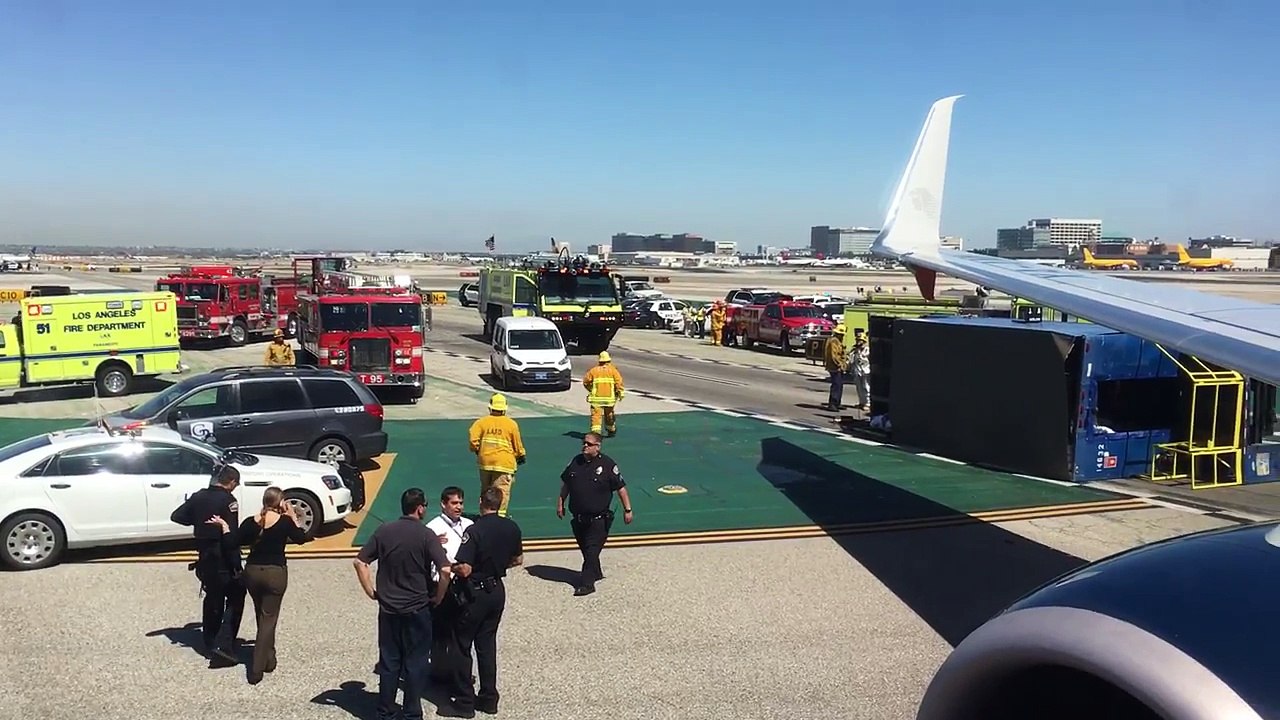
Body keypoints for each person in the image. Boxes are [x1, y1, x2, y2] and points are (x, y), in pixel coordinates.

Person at [353, 489, 453, 720]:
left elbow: (360, 562)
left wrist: (371, 591)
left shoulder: (384, 531)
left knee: (389, 661)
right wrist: (439, 596)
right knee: (416, 662)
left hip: (388, 608)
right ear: (420, 508)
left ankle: (385, 710)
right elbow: (445, 570)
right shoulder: (426, 535)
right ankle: (411, 712)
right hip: (417, 607)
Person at [206, 486, 308, 684]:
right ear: (280, 502)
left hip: (252, 572)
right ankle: (256, 668)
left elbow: (231, 542)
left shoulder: (250, 522)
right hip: (275, 573)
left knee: (261, 612)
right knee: (268, 619)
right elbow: (302, 538)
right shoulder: (285, 522)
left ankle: (270, 659)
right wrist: (292, 516)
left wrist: (224, 526)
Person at [441, 486, 523, 718]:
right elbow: (518, 559)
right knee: (487, 646)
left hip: (475, 593)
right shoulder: (512, 527)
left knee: (461, 645)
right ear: (500, 503)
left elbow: (465, 569)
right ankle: (489, 698)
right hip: (496, 589)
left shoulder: (475, 531)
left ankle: (464, 702)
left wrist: (448, 566)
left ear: (481, 502)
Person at [170, 464, 246, 667]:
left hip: (205, 558)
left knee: (212, 599)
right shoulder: (229, 501)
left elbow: (177, 516)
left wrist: (199, 519)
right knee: (236, 598)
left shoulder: (198, 496)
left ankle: (209, 641)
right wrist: (237, 566)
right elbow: (230, 537)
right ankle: (225, 643)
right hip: (223, 557)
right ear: (231, 482)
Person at [557, 432, 633, 596]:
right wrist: (560, 503)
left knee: (591, 550)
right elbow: (566, 484)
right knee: (586, 550)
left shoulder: (607, 465)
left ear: (597, 447)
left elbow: (621, 488)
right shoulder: (575, 462)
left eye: (589, 444)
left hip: (598, 519)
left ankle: (587, 584)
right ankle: (596, 572)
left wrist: (627, 510)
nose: (585, 446)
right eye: (584, 443)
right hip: (578, 518)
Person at [423, 486, 474, 686]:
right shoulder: (432, 528)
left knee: (461, 634)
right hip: (441, 585)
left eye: (461, 502)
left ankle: (459, 672)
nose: (458, 507)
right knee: (440, 634)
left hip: (464, 584)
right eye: (454, 503)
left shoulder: (469, 525)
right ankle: (438, 673)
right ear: (443, 504)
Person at [468, 393, 526, 517]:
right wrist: (521, 455)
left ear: (490, 407)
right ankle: (500, 516)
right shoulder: (511, 424)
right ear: (504, 408)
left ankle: (484, 514)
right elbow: (517, 443)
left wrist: (478, 450)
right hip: (504, 464)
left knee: (486, 490)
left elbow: (473, 440)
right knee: (502, 491)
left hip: (485, 463)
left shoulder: (481, 422)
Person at [581, 351, 625, 437]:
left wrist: (591, 389)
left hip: (596, 399)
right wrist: (620, 393)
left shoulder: (593, 371)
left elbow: (586, 382)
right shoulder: (613, 371)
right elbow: (618, 383)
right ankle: (611, 429)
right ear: (609, 360)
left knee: (596, 417)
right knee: (609, 415)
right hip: (609, 399)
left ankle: (596, 434)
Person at [823, 324, 848, 412]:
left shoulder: (837, 341)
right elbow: (833, 355)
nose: (842, 336)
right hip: (834, 367)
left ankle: (837, 402)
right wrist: (840, 364)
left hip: (838, 367)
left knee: (839, 385)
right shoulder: (834, 341)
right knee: (836, 385)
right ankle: (833, 404)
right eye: (841, 334)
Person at [849, 328, 871, 410]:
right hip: (857, 371)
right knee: (859, 387)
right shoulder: (855, 350)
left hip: (866, 371)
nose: (858, 341)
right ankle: (862, 402)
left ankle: (868, 403)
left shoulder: (867, 350)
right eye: (857, 340)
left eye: (860, 340)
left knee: (866, 387)